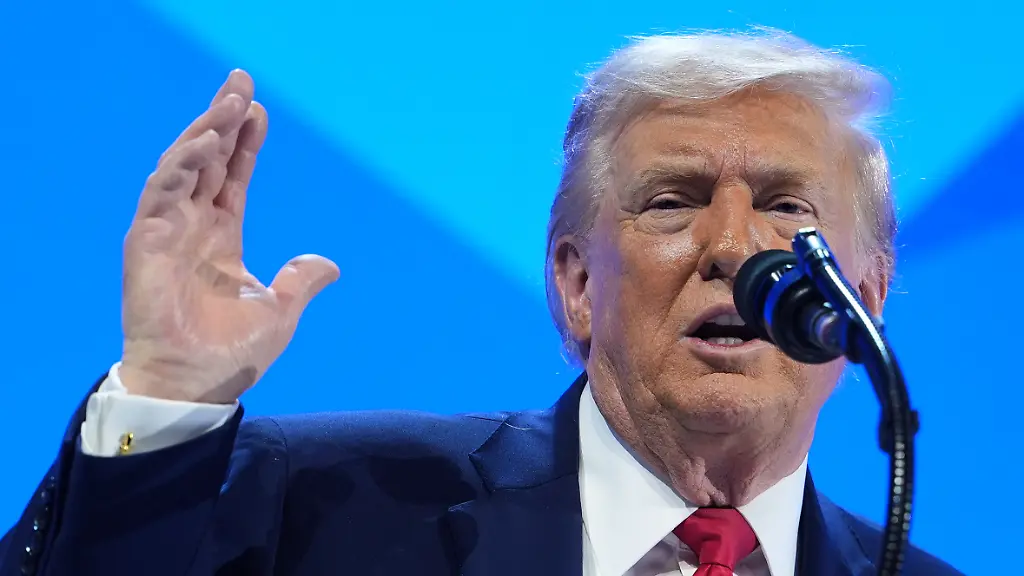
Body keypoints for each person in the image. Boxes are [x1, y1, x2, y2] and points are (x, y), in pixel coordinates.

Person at [0, 30, 962, 576]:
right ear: (578, 284)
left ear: (865, 292)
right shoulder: (313, 506)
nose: (731, 249)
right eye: (672, 202)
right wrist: (167, 396)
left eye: (787, 207)